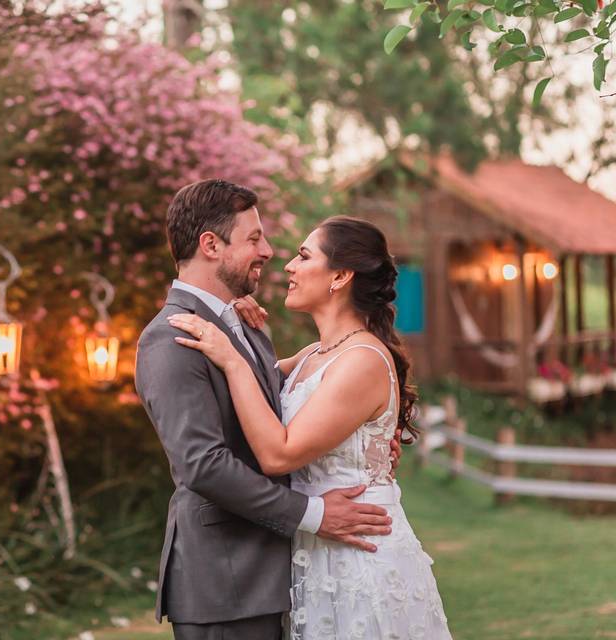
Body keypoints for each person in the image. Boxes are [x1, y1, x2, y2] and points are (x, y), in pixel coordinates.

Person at [135, 179, 398, 640]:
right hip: (225, 581)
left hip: (288, 573)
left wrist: (367, 436)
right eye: (254, 238)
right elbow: (203, 465)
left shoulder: (244, 324)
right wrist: (313, 513)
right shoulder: (170, 338)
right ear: (211, 245)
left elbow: (281, 400)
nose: (270, 251)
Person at [168, 214, 452, 639]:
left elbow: (278, 452)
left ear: (339, 276)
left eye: (304, 256)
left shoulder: (361, 361)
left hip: (360, 557)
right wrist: (233, 323)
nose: (288, 267)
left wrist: (229, 356)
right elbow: (258, 387)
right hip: (314, 553)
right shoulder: (312, 355)